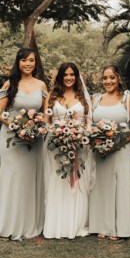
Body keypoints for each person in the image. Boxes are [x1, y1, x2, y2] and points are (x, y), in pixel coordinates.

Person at [0, 47, 48, 240]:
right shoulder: (9, 84)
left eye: (31, 60)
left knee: (31, 179)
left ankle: (31, 224)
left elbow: (46, 113)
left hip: (35, 140)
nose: (28, 64)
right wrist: (17, 127)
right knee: (14, 177)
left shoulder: (42, 86)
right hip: (12, 139)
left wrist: (38, 128)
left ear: (36, 62)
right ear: (18, 63)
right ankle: (10, 224)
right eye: (24, 60)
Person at [88, 65, 130, 241]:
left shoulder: (128, 98)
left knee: (120, 184)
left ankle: (120, 227)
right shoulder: (95, 99)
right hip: (100, 150)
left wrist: (119, 141)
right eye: (105, 78)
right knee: (102, 186)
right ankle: (101, 225)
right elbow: (89, 124)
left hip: (121, 148)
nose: (108, 81)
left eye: (112, 77)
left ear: (118, 78)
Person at [43, 62, 93, 239]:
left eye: (72, 74)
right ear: (61, 76)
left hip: (78, 147)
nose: (69, 77)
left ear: (77, 76)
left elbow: (88, 122)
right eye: (66, 74)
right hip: (56, 148)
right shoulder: (53, 95)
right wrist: (56, 136)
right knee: (58, 182)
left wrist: (79, 137)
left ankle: (75, 223)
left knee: (76, 183)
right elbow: (46, 120)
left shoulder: (83, 98)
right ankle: (57, 224)